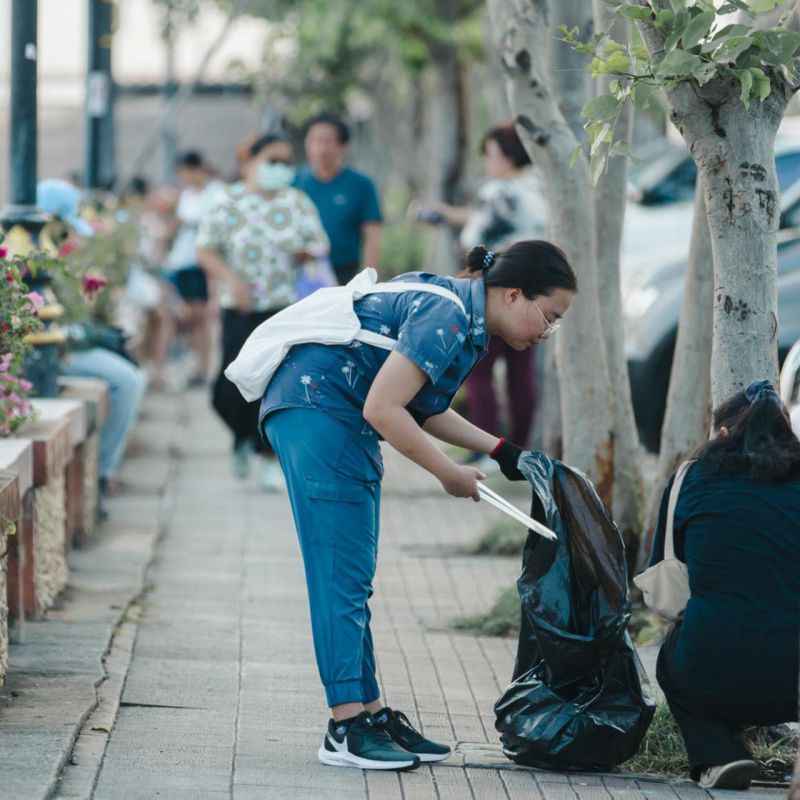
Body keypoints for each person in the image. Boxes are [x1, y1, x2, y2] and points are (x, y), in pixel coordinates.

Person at [259, 240, 576, 770]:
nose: (547, 331)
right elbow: (385, 408)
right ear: (515, 294)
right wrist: (447, 473)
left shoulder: (465, 318)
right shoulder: (449, 316)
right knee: (340, 576)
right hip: (316, 408)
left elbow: (423, 408)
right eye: (550, 316)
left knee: (352, 577)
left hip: (329, 411)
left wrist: (502, 451)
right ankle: (344, 726)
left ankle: (371, 713)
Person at [647, 380, 800, 790]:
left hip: (710, 666)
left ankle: (719, 756)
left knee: (670, 660)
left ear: (724, 434)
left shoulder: (693, 478)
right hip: (795, 677)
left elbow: (666, 560)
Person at [196, 133, 329, 491]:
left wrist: (306, 253)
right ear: (249, 161)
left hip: (284, 309)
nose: (280, 169)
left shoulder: (296, 201)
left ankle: (268, 456)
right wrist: (231, 280)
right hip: (238, 308)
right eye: (272, 160)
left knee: (275, 386)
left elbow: (319, 244)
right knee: (228, 387)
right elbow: (206, 250)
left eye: (287, 162)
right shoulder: (228, 201)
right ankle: (241, 435)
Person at [415, 124, 548, 467]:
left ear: (506, 156)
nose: (487, 162)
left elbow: (478, 234)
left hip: (497, 290)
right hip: (535, 287)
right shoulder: (540, 187)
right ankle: (518, 448)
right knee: (522, 374)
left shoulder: (500, 191)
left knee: (480, 369)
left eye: (489, 154)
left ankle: (488, 447)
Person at [36, 179, 148, 497]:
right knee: (126, 380)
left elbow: (73, 314)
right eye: (67, 227)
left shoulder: (55, 254)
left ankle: (103, 470)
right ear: (53, 224)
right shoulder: (31, 252)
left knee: (133, 373)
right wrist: (94, 335)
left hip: (64, 346)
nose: (73, 235)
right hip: (52, 354)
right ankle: (99, 475)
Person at [294, 112, 382, 285]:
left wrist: (366, 282)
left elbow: (372, 237)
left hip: (345, 273)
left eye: (327, 141)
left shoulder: (360, 184)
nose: (320, 148)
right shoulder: (294, 181)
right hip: (301, 272)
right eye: (314, 140)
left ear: (343, 146)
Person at [165, 151, 225, 385]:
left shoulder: (216, 192)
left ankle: (206, 367)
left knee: (203, 315)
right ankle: (199, 364)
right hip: (184, 260)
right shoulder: (187, 195)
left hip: (204, 260)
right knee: (191, 316)